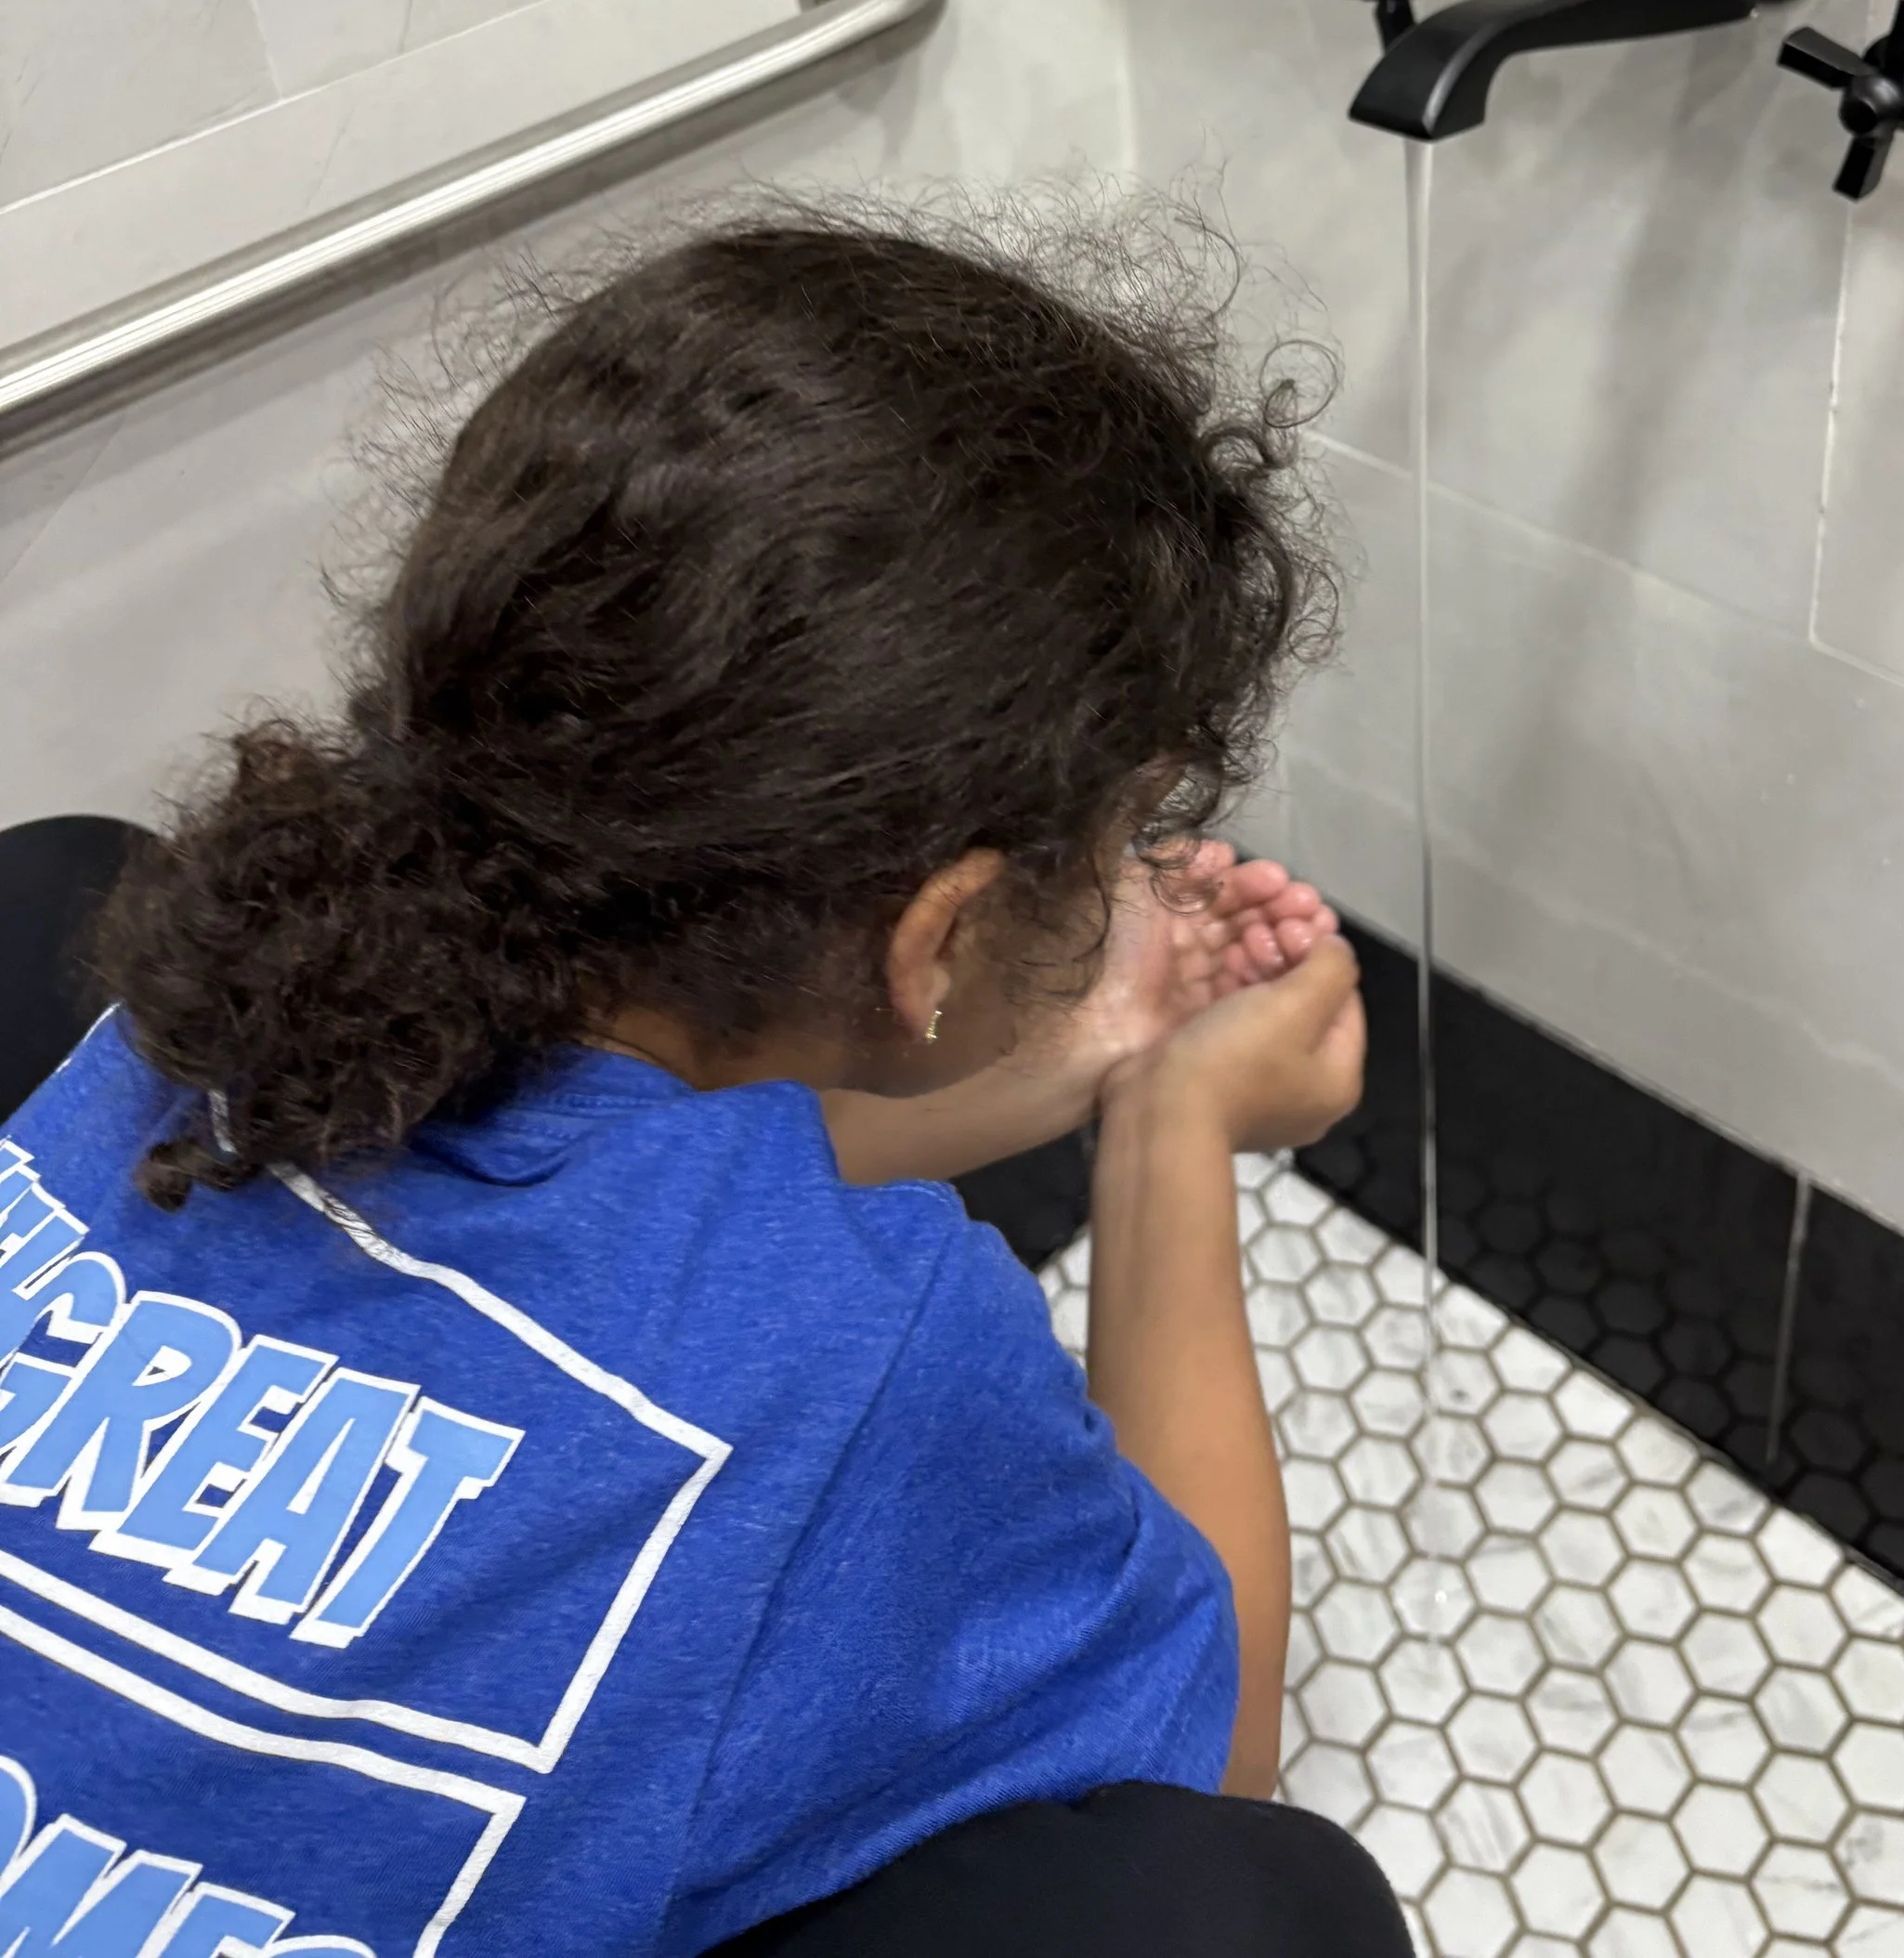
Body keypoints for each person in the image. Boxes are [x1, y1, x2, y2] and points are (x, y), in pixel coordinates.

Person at [0, 204, 1415, 1958]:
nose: (1139, 870)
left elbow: (626, 1196)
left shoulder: (116, 976)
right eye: (1128, 834)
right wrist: (1175, 1126)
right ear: (944, 936)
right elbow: (1212, 1767)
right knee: (1249, 1920)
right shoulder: (884, 1360)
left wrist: (1086, 1044)